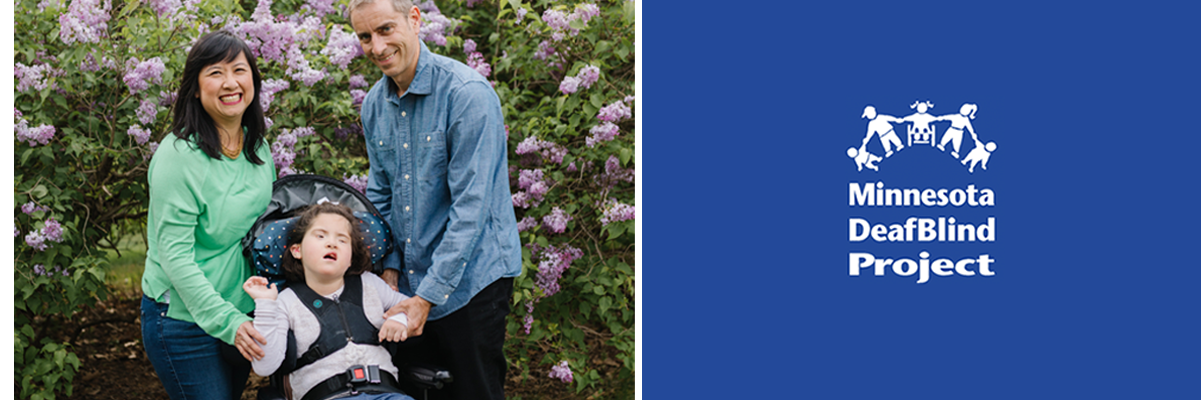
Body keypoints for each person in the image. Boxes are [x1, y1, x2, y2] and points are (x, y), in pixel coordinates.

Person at [349, 1, 523, 399]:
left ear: (414, 19)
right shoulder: (375, 104)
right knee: (417, 388)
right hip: (407, 281)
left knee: (472, 391)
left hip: (473, 280)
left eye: (385, 30)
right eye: (365, 37)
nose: (376, 47)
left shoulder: (467, 94)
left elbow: (471, 209)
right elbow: (381, 194)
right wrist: (388, 267)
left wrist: (427, 296)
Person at [140, 30, 276, 400]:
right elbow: (174, 255)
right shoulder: (179, 156)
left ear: (253, 81)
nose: (230, 83)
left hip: (239, 311)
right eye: (215, 73)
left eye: (239, 70)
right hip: (183, 319)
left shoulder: (257, 147)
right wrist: (227, 321)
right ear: (196, 89)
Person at [243, 203, 415, 400]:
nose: (332, 243)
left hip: (387, 394)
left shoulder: (371, 284)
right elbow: (265, 367)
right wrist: (265, 305)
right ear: (297, 250)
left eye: (342, 240)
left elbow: (410, 309)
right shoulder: (284, 302)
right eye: (320, 236)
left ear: (351, 257)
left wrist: (400, 319)